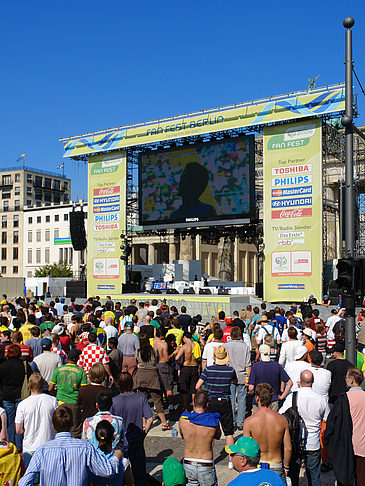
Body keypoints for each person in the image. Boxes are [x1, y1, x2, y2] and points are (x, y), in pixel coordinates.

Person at [18, 406, 123, 486]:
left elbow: (24, 483)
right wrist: (116, 456)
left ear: (53, 425)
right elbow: (107, 471)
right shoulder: (85, 448)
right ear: (72, 424)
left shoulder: (42, 451)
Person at [280, 370, 330, 486]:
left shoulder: (293, 397)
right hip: (313, 443)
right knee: (314, 476)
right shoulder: (321, 399)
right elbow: (326, 418)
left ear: (300, 381)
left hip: (295, 442)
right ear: (313, 382)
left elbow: (281, 414)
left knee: (293, 476)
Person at [196, 345, 237, 469]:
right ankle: (230, 460)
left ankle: (209, 458)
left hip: (212, 400)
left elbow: (197, 386)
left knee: (210, 431)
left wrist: (205, 392)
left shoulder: (208, 370)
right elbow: (235, 382)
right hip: (225, 401)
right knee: (229, 432)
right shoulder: (230, 370)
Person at [111, 372, 153, 486]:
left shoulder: (114, 401)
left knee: (120, 473)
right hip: (136, 440)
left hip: (120, 443)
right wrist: (144, 433)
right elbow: (150, 419)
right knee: (139, 473)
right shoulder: (141, 398)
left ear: (118, 384)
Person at [243, 383, 291, 482]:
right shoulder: (282, 420)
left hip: (258, 465)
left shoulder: (249, 421)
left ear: (257, 398)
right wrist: (286, 467)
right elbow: (288, 448)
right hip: (276, 464)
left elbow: (246, 449)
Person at [15, 373, 58, 468]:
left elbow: (18, 430)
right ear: (42, 385)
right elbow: (57, 422)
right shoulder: (52, 400)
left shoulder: (23, 404)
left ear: (29, 385)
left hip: (29, 446)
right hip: (48, 444)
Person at [179, 391, 221, 485]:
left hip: (189, 462)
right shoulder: (213, 421)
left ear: (193, 403)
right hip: (206, 463)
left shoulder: (183, 419)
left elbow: (183, 436)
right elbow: (218, 436)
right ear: (207, 404)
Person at [134, 334, 171, 430]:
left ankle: (143, 423)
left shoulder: (137, 352)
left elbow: (136, 363)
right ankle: (164, 422)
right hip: (153, 375)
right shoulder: (154, 351)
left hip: (141, 375)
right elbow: (157, 360)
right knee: (157, 399)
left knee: (142, 399)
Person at [0, 344, 32, 450]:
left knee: (9, 421)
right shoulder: (24, 365)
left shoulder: (3, 365)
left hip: (6, 395)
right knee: (20, 421)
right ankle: (19, 446)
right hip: (20, 394)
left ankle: (10, 445)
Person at [248, 344, 292, 412]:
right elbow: (289, 382)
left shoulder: (255, 366)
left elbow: (251, 387)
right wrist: (282, 396)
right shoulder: (276, 365)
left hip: (259, 402)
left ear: (260, 353)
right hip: (273, 400)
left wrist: (247, 384)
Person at [224, 326, 251, 431]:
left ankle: (232, 421)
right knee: (241, 399)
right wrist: (248, 378)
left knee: (230, 399)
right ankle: (240, 422)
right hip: (241, 375)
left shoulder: (225, 345)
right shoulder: (245, 347)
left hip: (229, 376)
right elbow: (248, 365)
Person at [175, 331, 199, 411]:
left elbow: (176, 358)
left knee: (184, 389)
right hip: (194, 367)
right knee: (193, 389)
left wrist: (180, 364)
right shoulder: (196, 345)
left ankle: (185, 408)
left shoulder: (184, 347)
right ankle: (194, 407)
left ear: (185, 337)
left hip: (186, 367)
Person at [154, 328, 174, 412]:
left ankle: (158, 406)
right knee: (168, 387)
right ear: (161, 335)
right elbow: (166, 359)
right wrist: (174, 353)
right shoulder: (163, 344)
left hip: (155, 365)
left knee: (158, 387)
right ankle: (171, 406)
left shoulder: (153, 341)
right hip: (164, 365)